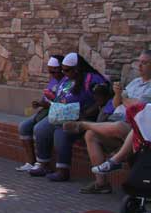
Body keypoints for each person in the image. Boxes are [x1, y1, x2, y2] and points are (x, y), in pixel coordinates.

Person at [74, 50, 151, 193]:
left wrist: (124, 98)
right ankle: (101, 183)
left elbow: (136, 107)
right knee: (90, 135)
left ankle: (84, 124)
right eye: (139, 62)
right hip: (116, 120)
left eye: (144, 63)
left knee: (118, 126)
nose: (140, 66)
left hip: (134, 127)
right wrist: (118, 94)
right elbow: (117, 105)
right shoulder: (135, 82)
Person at [29, 52, 97, 182]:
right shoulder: (66, 80)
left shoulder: (91, 78)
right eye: (63, 70)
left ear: (77, 68)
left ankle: (63, 170)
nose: (63, 73)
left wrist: (86, 113)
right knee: (40, 129)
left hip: (78, 117)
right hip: (61, 114)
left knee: (61, 132)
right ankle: (44, 164)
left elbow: (101, 100)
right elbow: (60, 97)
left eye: (66, 70)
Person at [16, 55, 65, 171]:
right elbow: (47, 97)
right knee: (24, 126)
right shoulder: (53, 80)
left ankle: (43, 163)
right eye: (49, 71)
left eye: (54, 71)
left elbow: (65, 103)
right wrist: (39, 103)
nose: (52, 74)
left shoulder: (67, 83)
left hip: (58, 112)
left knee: (39, 129)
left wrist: (49, 104)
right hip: (47, 110)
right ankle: (30, 162)